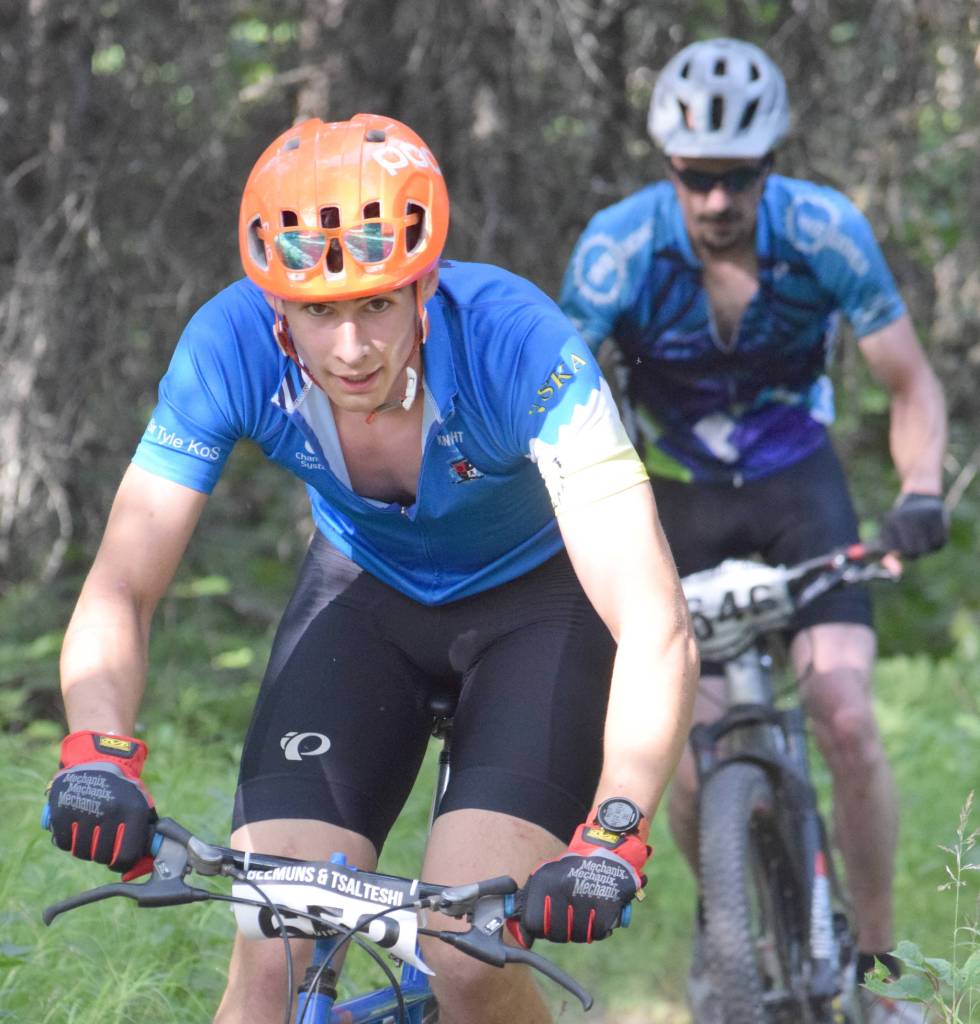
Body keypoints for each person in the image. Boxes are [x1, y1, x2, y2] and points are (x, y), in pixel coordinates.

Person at [44, 113, 699, 1024]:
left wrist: (616, 829)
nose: (349, 349)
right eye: (317, 312)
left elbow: (652, 618)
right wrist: (98, 748)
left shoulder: (522, 347)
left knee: (468, 957)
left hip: (536, 609)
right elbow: (123, 582)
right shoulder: (225, 347)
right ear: (276, 307)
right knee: (271, 936)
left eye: (377, 305)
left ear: (423, 288)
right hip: (366, 595)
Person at [559, 37, 947, 1024]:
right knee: (683, 759)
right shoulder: (614, 252)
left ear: (770, 167)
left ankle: (873, 969)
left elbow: (907, 379)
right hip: (676, 501)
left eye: (738, 180)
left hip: (794, 486)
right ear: (667, 168)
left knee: (847, 719)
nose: (716, 202)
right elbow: (550, 399)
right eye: (695, 180)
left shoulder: (823, 232)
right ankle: (727, 921)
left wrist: (920, 484)